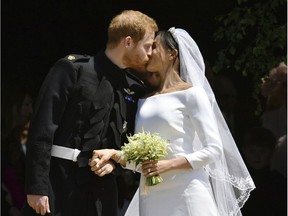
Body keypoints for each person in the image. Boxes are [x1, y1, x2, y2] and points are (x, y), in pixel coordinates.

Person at [89, 28, 255, 216]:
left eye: (155, 47)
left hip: (187, 190)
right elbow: (143, 163)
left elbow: (213, 149)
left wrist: (167, 165)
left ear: (172, 54)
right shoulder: (144, 100)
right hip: (151, 196)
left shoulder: (192, 94)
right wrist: (115, 154)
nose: (149, 53)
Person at [22, 10, 158, 216]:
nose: (150, 53)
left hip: (102, 195)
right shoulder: (72, 69)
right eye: (147, 46)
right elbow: (42, 127)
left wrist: (115, 165)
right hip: (58, 184)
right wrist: (36, 187)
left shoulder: (134, 89)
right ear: (128, 42)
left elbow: (129, 143)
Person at [240, 127, 287, 216]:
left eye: (262, 151)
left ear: (272, 152)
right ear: (244, 150)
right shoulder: (238, 180)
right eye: (252, 151)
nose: (257, 156)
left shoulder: (278, 182)